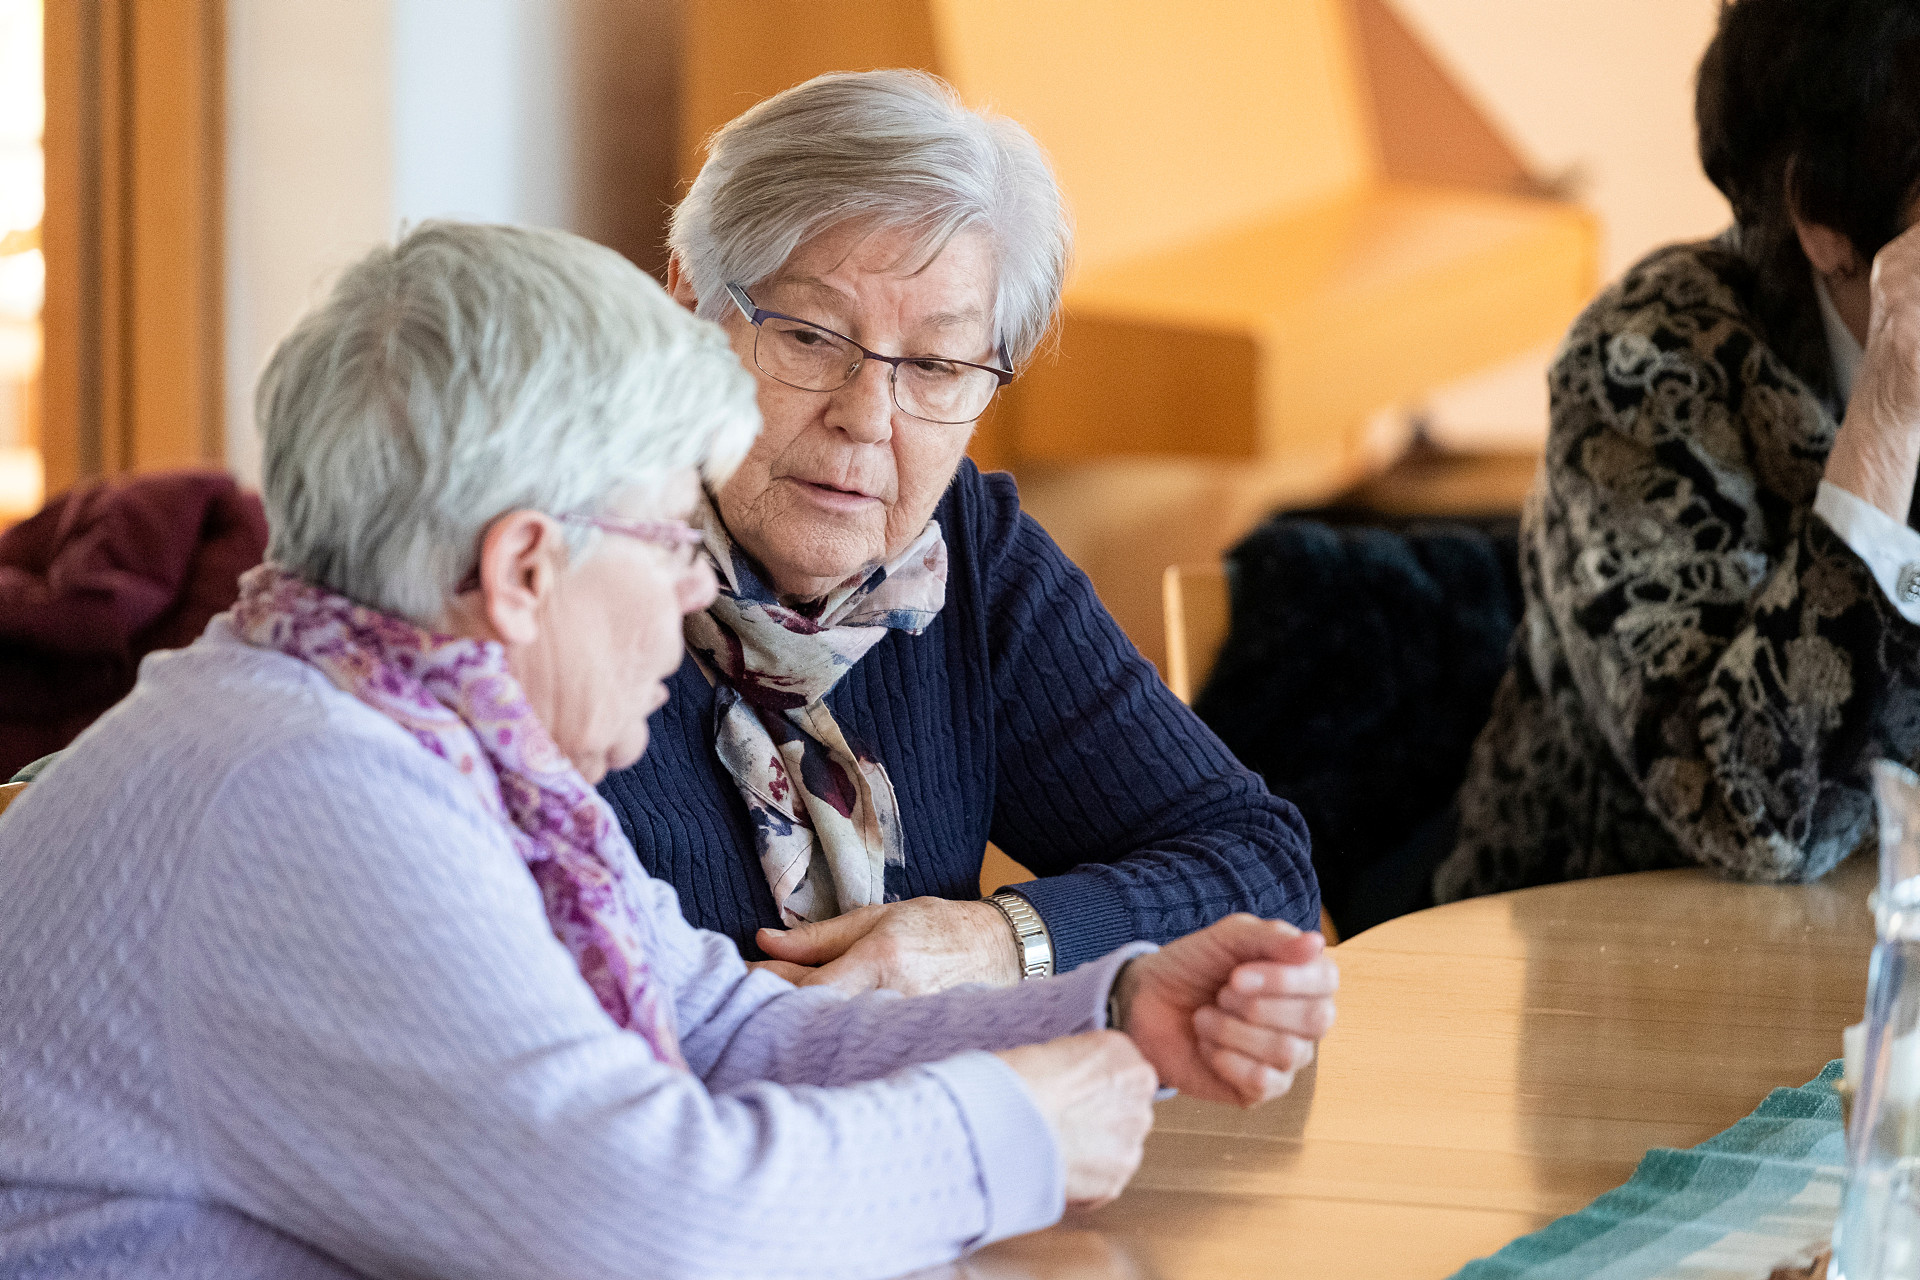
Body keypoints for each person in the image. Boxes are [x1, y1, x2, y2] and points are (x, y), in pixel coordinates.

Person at [0, 222, 1337, 1280]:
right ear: (524, 568)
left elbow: (716, 1024)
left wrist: (1100, 1008)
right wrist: (1013, 1131)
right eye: (671, 544)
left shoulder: (400, 727)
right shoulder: (304, 789)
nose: (700, 594)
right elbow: (648, 1222)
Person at [598, 69, 1318, 996]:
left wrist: (1000, 943)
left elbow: (1261, 870)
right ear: (689, 304)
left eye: (936, 365)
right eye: (811, 336)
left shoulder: (961, 554)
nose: (869, 417)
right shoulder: (561, 569)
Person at [1441, 0, 1920, 900]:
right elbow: (1758, 822)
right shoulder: (1645, 366)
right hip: (1613, 966)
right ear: (1822, 217)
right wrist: (1893, 415)